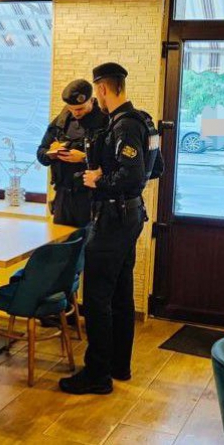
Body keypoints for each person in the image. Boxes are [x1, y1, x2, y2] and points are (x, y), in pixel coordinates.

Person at [59, 63, 164, 395]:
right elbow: (156, 168)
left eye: (98, 92)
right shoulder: (144, 121)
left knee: (96, 297)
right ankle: (119, 364)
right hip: (130, 217)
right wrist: (114, 176)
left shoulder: (123, 125)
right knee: (120, 294)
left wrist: (98, 179)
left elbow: (133, 175)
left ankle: (97, 373)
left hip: (112, 219)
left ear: (102, 89)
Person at [36, 79, 108, 227]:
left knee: (88, 240)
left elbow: (112, 161)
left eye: (80, 109)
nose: (76, 113)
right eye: (71, 108)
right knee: (61, 240)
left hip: (92, 197)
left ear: (91, 100)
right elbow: (41, 153)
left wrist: (84, 158)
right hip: (63, 197)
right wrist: (52, 154)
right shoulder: (62, 121)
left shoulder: (104, 121)